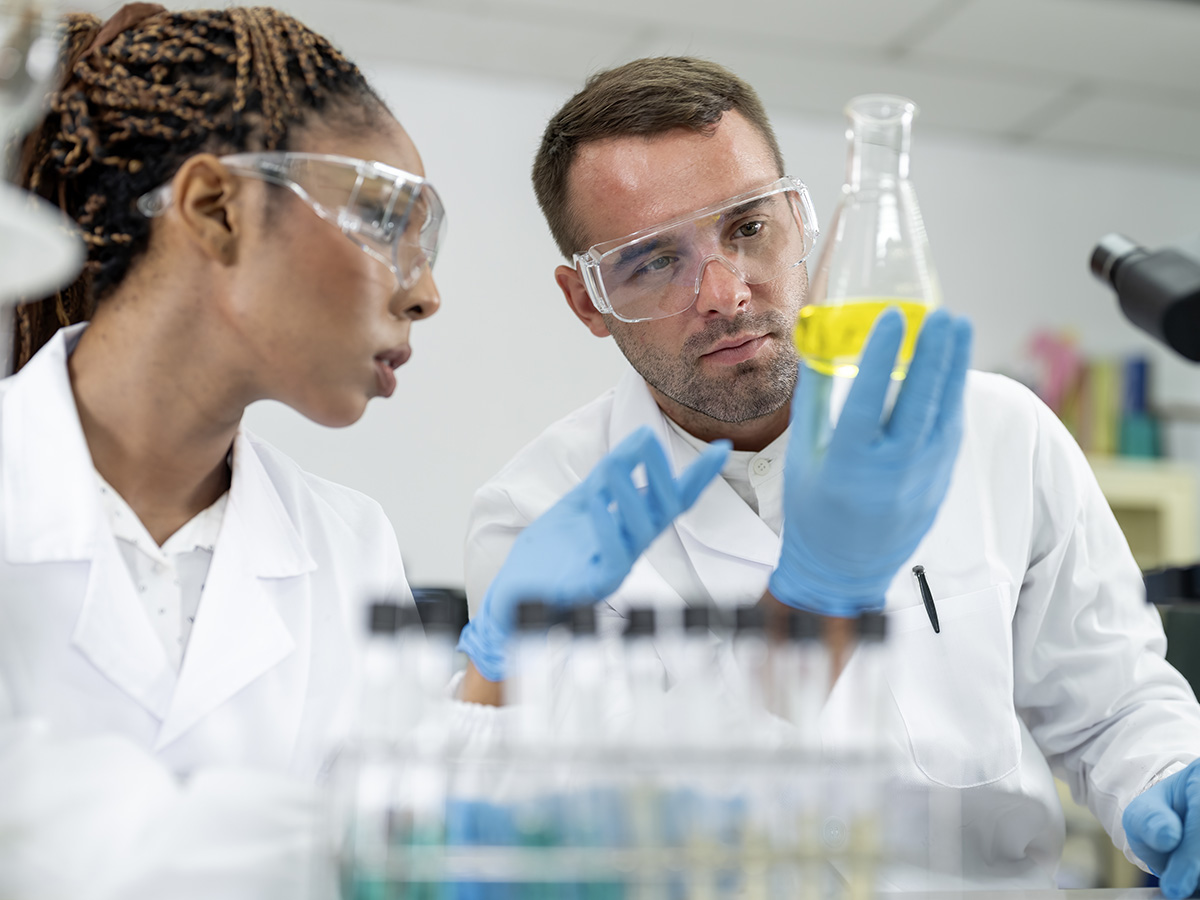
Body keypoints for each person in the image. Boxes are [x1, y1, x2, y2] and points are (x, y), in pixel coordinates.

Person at [0, 10, 729, 892]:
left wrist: (496, 672)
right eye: (388, 220)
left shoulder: (344, 544)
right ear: (216, 210)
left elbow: (414, 834)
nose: (425, 293)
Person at [462, 56, 1200, 893]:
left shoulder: (997, 430)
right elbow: (598, 836)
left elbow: (1112, 703)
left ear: (800, 220)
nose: (726, 292)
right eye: (652, 261)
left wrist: (1169, 779)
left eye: (747, 227)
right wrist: (815, 598)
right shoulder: (538, 518)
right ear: (587, 300)